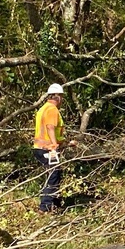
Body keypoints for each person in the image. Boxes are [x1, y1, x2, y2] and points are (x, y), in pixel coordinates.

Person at [33, 83, 74, 212]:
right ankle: (45, 206)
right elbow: (50, 127)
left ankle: (55, 203)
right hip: (47, 149)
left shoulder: (43, 108)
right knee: (53, 174)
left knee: (55, 173)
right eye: (61, 97)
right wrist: (54, 146)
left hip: (40, 148)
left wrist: (65, 143)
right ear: (58, 97)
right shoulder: (52, 109)